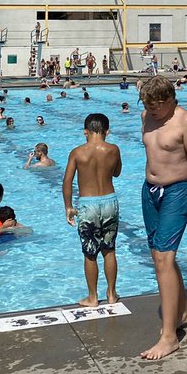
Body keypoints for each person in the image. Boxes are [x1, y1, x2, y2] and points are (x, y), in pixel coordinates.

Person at [138, 76, 187, 360]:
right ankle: (184, 311)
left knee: (164, 258)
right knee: (159, 258)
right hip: (150, 191)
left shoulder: (186, 122)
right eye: (148, 106)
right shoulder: (146, 115)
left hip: (178, 191)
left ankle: (169, 337)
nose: (152, 112)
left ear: (171, 100)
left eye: (157, 107)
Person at [63, 113, 123, 308]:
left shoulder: (77, 152)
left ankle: (92, 297)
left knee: (90, 253)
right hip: (109, 202)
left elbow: (67, 182)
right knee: (109, 249)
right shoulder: (113, 149)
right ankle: (112, 294)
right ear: (107, 131)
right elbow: (117, 172)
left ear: (85, 132)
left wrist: (69, 207)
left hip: (87, 205)